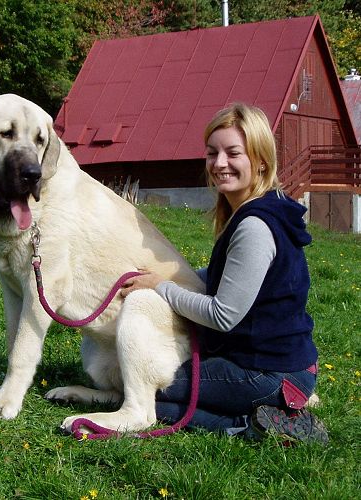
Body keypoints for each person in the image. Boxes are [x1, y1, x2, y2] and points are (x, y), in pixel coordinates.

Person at [121, 103, 328, 444]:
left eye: (233, 153)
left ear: (260, 160)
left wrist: (162, 288)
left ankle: (251, 426)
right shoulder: (265, 207)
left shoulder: (255, 227)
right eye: (212, 153)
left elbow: (223, 315)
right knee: (143, 384)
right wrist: (170, 278)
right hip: (285, 367)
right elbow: (230, 277)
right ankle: (267, 412)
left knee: (146, 387)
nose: (219, 164)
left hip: (269, 373)